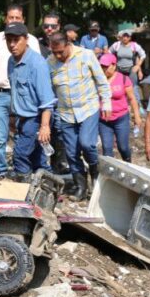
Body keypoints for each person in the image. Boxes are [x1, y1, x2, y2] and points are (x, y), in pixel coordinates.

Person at [47, 33, 112, 198]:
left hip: (88, 108)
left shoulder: (86, 55)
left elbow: (101, 81)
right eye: (54, 52)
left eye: (61, 52)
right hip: (66, 113)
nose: (58, 56)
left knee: (87, 144)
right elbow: (49, 89)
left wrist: (106, 102)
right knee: (71, 152)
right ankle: (80, 186)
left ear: (68, 44)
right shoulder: (50, 63)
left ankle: (96, 175)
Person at [0, 4, 40, 175]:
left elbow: (36, 66)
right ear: (5, 19)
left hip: (22, 93)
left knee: (22, 133)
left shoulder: (31, 40)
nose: (14, 20)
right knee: (0, 135)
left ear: (23, 20)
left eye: (17, 18)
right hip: (1, 93)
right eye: (11, 17)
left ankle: (21, 168)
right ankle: (1, 170)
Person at [5, 23, 56, 175]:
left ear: (26, 39)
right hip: (22, 117)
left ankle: (24, 186)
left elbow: (47, 101)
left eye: (16, 40)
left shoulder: (37, 63)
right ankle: (49, 184)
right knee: (37, 159)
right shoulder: (11, 61)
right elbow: (15, 91)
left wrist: (44, 126)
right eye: (9, 40)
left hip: (37, 118)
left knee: (20, 155)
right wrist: (13, 116)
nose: (12, 45)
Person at [99, 52, 142, 162]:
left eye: (106, 66)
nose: (103, 69)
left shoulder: (123, 79)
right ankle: (110, 170)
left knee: (123, 147)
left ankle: (128, 165)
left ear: (114, 65)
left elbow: (132, 99)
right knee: (107, 150)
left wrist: (137, 116)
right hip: (104, 121)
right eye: (101, 66)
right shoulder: (98, 80)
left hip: (121, 118)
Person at [109, 30, 146, 99]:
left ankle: (137, 103)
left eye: (127, 36)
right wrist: (112, 65)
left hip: (131, 69)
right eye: (124, 36)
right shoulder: (117, 45)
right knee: (119, 86)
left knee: (133, 87)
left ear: (130, 38)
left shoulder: (134, 45)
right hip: (119, 69)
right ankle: (121, 102)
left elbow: (143, 55)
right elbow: (108, 53)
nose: (125, 38)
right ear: (121, 37)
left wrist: (138, 66)